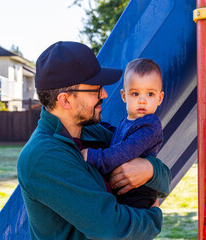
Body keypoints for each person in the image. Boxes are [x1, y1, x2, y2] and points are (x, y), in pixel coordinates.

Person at [17, 41, 171, 240]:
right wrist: (153, 218)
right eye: (95, 89)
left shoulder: (95, 132)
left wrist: (150, 170)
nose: (105, 94)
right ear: (65, 100)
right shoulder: (42, 157)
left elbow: (164, 178)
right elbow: (113, 229)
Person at [81, 58, 165, 209]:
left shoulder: (150, 125)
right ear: (124, 96)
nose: (142, 101)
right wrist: (99, 125)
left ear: (160, 98)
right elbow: (118, 135)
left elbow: (125, 150)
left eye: (150, 94)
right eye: (135, 94)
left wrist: (95, 157)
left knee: (128, 226)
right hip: (123, 191)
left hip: (138, 195)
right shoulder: (128, 121)